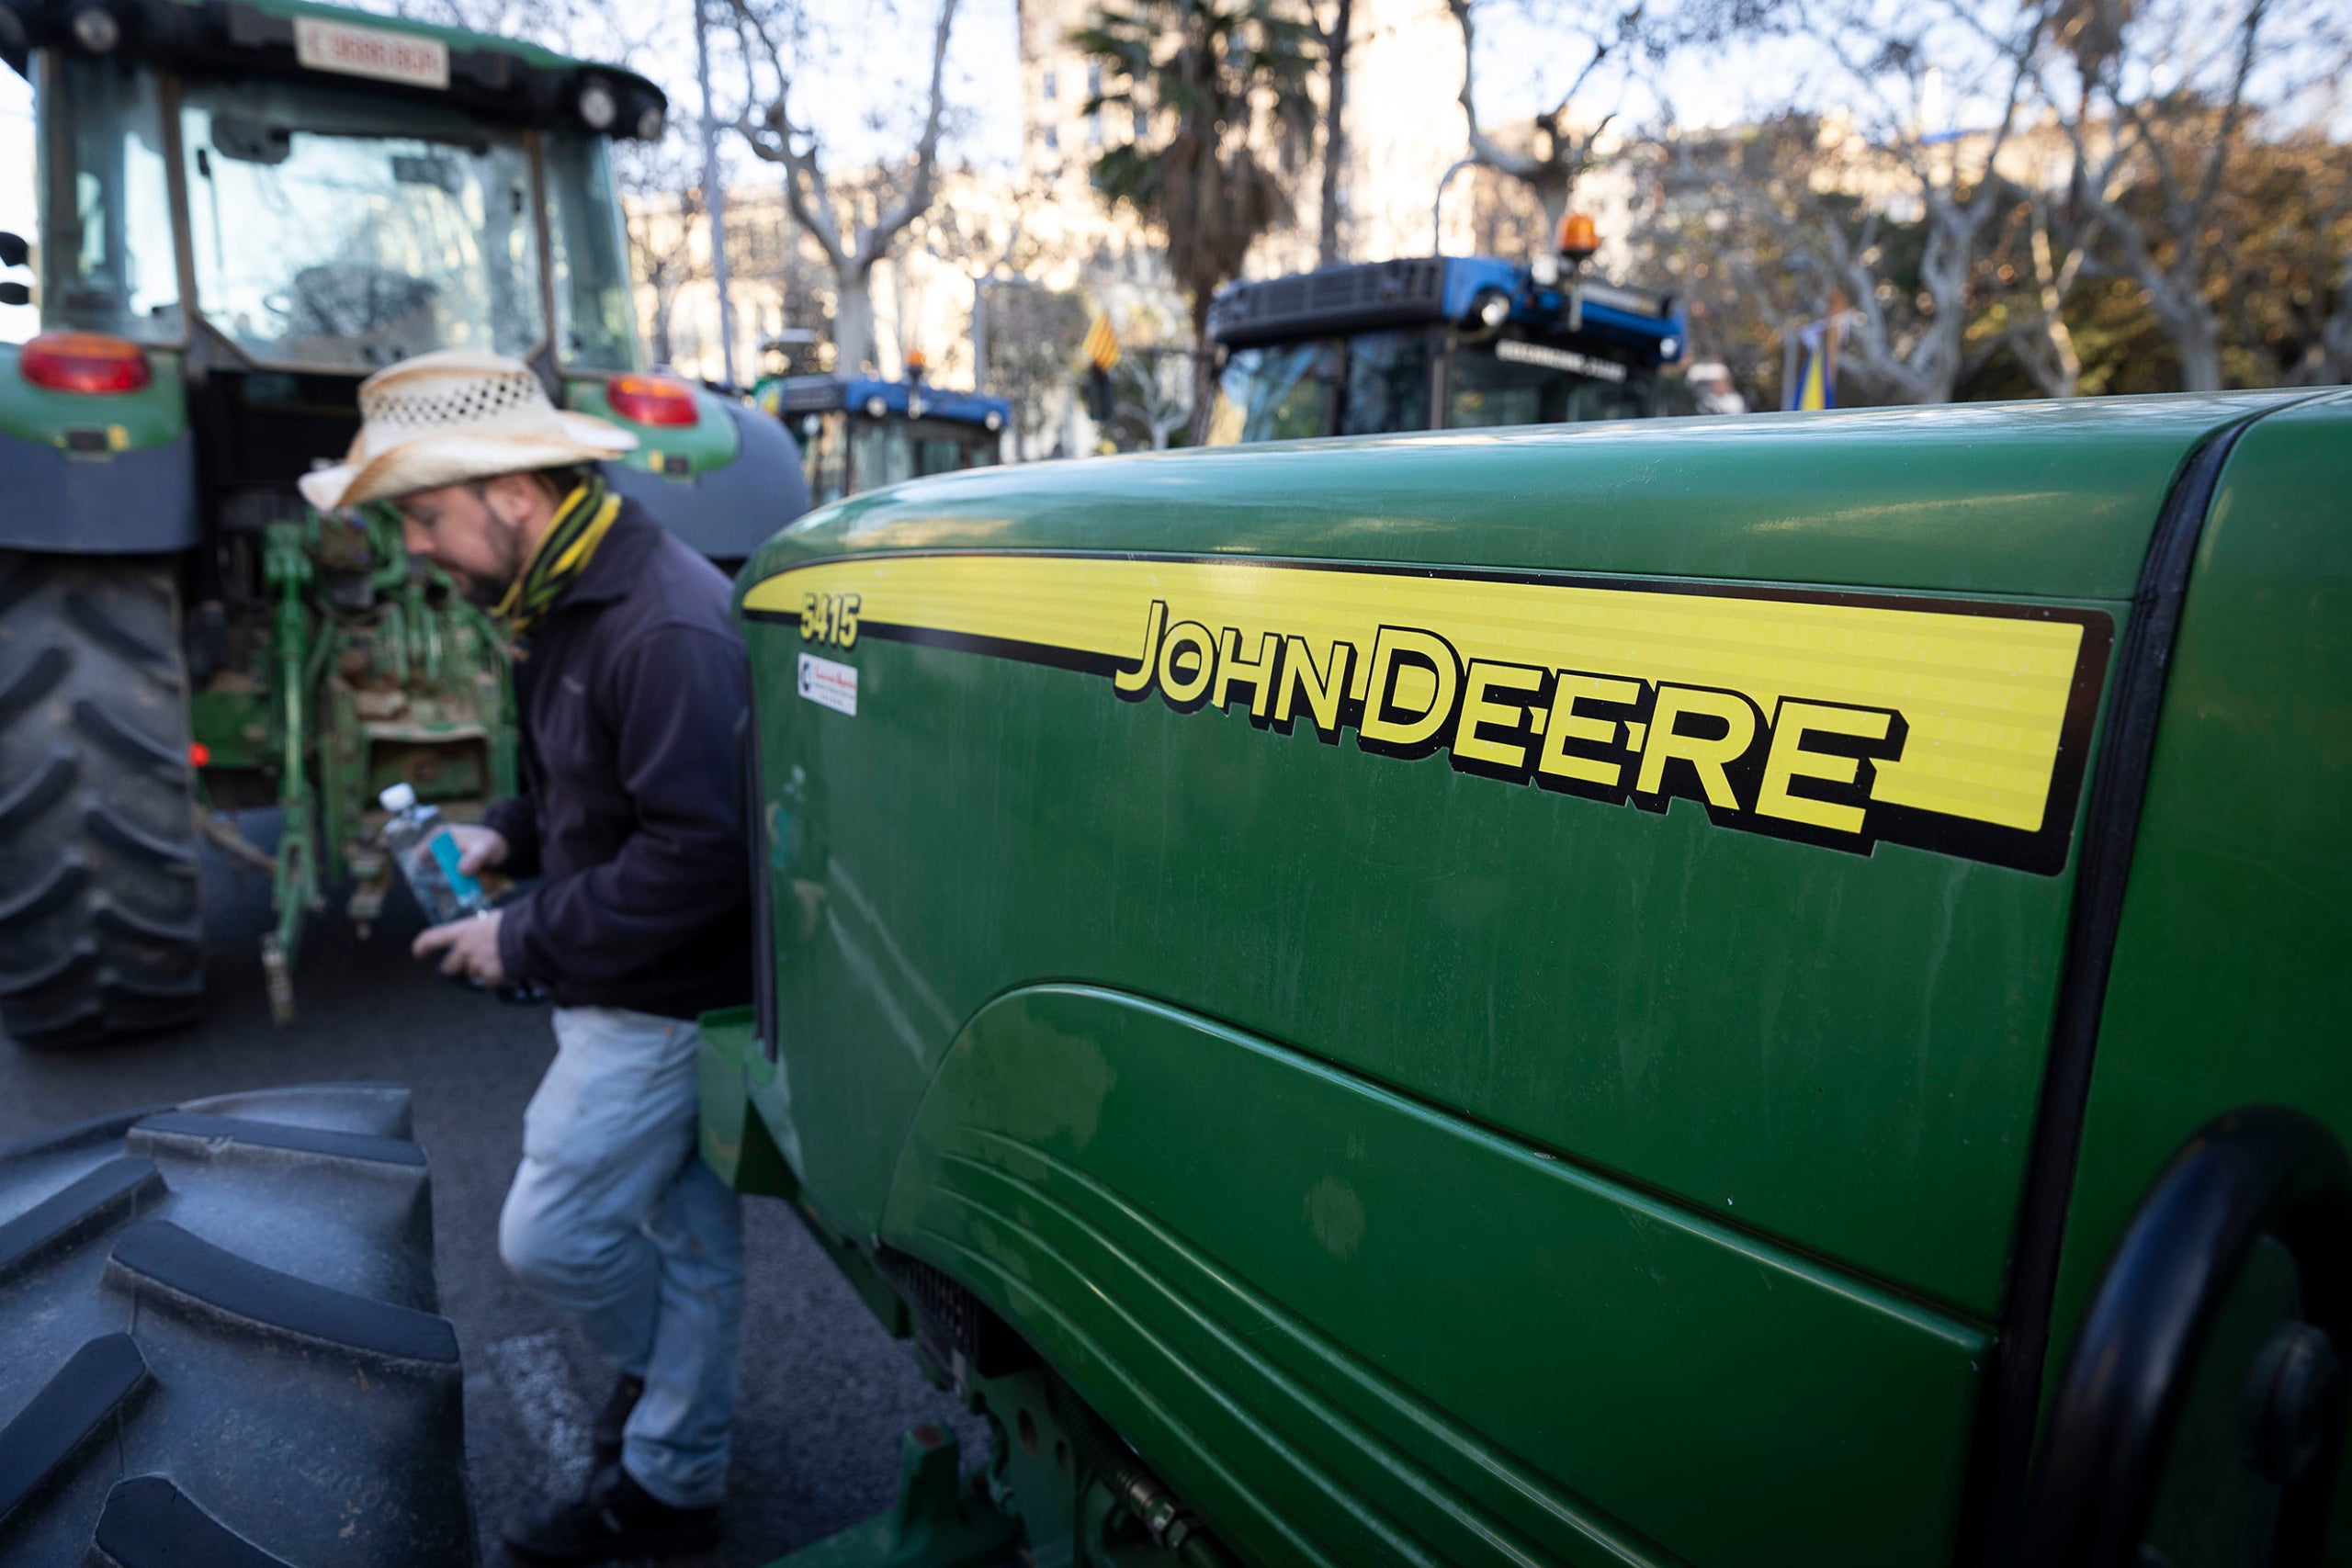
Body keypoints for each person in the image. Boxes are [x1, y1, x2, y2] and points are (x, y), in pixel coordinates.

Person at [300, 351, 752, 1563]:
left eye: (425, 516)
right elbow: (592, 784)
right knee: (688, 1239)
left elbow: (701, 852)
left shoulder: (659, 623)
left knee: (551, 1236)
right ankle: (677, 1467)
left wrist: (519, 932)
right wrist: (503, 831)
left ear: (512, 493)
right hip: (642, 978)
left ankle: (671, 1410)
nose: (417, 551)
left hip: (666, 1002)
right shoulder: (570, 594)